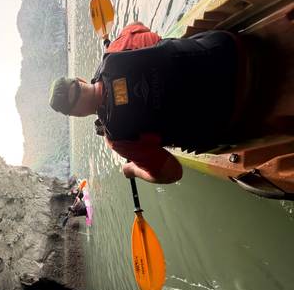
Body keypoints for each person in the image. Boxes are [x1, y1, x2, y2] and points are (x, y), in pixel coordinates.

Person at [49, 22, 256, 184]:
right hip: (230, 48)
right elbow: (139, 25)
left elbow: (173, 173)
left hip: (232, 113)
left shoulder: (118, 139)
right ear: (80, 80)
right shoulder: (116, 50)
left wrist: (132, 170)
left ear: (76, 115)